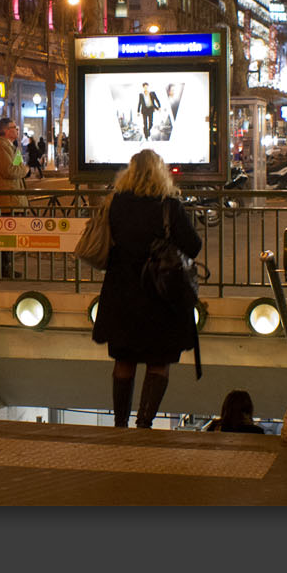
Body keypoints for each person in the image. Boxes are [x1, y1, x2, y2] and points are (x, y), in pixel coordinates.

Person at [92, 149, 203, 429]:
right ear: (160, 173)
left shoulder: (115, 203)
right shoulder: (169, 206)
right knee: (158, 361)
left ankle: (120, 424)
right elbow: (193, 246)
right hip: (160, 296)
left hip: (122, 293)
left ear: (129, 172)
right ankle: (144, 423)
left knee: (124, 360)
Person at [0, 117, 29, 279]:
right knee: (6, 236)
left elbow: (18, 166)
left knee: (10, 236)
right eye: (14, 127)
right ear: (5, 130)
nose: (17, 130)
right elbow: (10, 171)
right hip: (7, 198)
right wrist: (25, 170)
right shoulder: (0, 147)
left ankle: (7, 268)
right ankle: (4, 270)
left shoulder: (12, 146)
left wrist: (22, 168)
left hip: (14, 196)